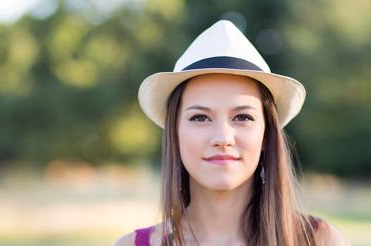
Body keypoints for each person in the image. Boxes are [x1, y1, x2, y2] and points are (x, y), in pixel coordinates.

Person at [115, 20, 350, 246]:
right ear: (175, 133)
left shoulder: (319, 241)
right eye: (200, 117)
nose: (223, 138)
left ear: (267, 134)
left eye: (243, 117)